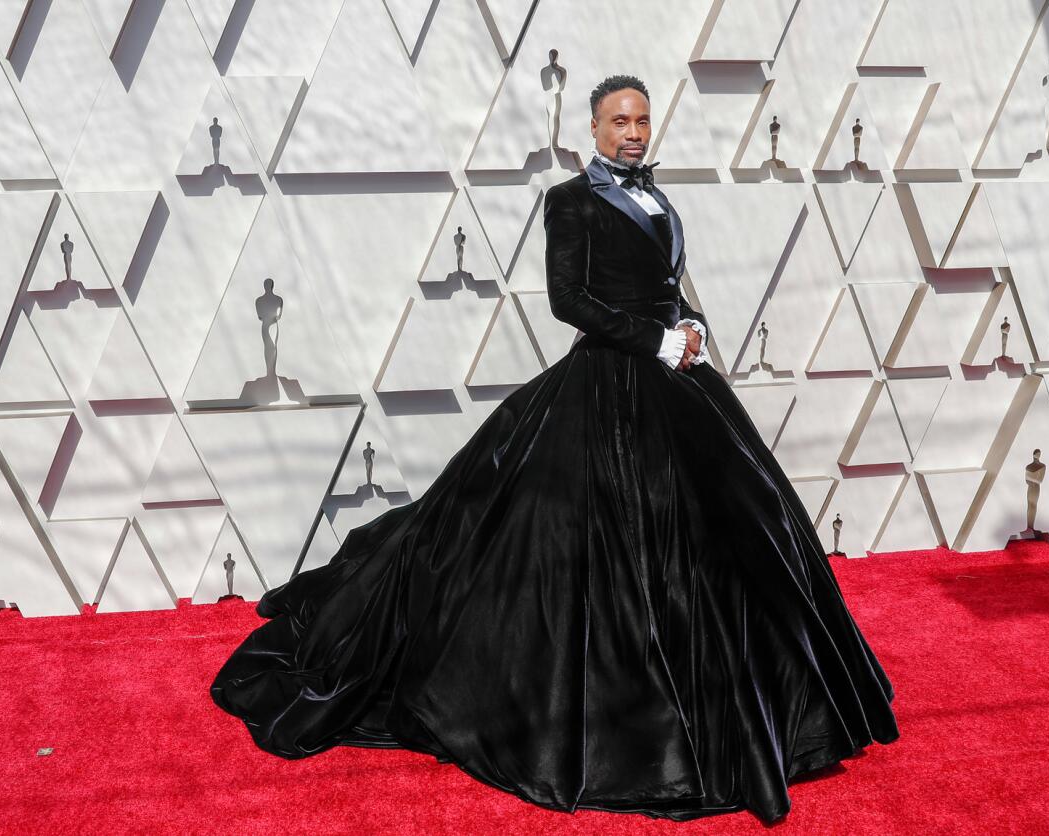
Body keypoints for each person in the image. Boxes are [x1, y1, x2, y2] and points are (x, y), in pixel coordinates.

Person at [211, 74, 898, 824]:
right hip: (608, 390)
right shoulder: (570, 201)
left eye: (641, 120)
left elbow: (665, 284)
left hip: (677, 381)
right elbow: (569, 300)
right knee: (597, 554)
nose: (633, 132)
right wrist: (655, 340)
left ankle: (770, 714)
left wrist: (689, 324)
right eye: (619, 122)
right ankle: (629, 732)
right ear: (594, 131)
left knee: (735, 535)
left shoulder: (660, 197)